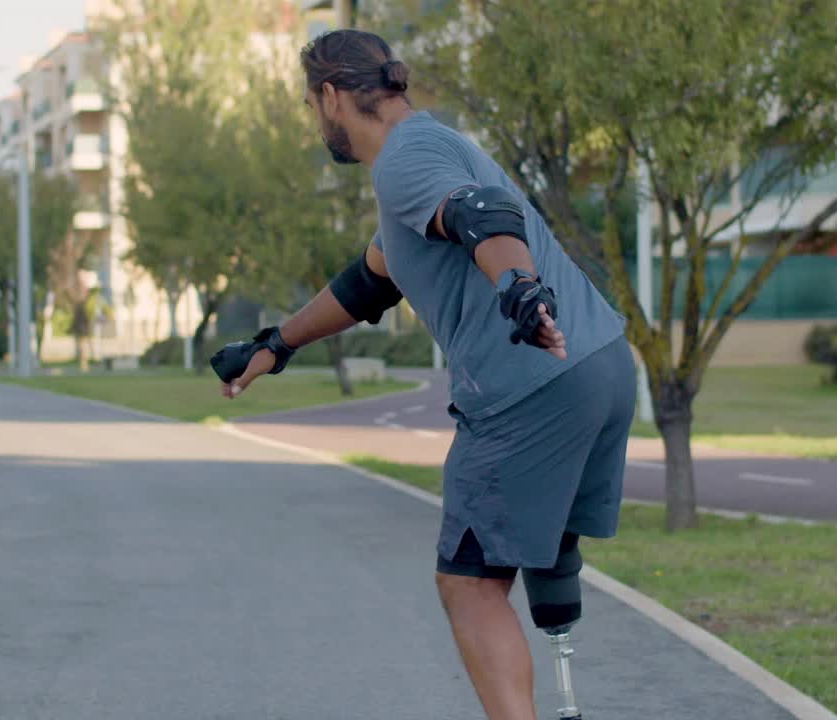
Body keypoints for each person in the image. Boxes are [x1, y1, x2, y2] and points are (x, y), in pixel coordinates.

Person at [210, 29, 636, 720]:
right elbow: (369, 283)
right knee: (538, 554)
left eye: (312, 107)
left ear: (330, 97)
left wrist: (522, 291)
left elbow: (482, 218)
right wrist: (274, 344)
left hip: (528, 385)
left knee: (468, 583)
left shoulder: (404, 160)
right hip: (601, 367)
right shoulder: (434, 150)